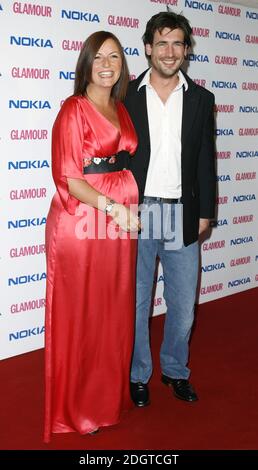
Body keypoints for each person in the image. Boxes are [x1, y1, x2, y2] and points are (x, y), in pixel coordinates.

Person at [44, 31, 140, 441]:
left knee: (112, 312)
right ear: (85, 62)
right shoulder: (73, 109)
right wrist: (114, 207)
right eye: (98, 56)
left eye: (114, 56)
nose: (107, 63)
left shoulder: (120, 105)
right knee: (83, 314)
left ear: (122, 64)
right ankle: (77, 410)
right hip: (83, 219)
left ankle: (105, 400)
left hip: (120, 221)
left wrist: (127, 207)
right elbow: (70, 179)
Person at [122, 11, 216, 406]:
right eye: (162, 42)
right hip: (136, 214)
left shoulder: (201, 99)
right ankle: (138, 374)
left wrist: (205, 213)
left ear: (186, 49)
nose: (170, 51)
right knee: (137, 301)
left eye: (178, 43)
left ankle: (175, 371)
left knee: (182, 305)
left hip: (181, 212)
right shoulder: (124, 95)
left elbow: (205, 162)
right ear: (147, 48)